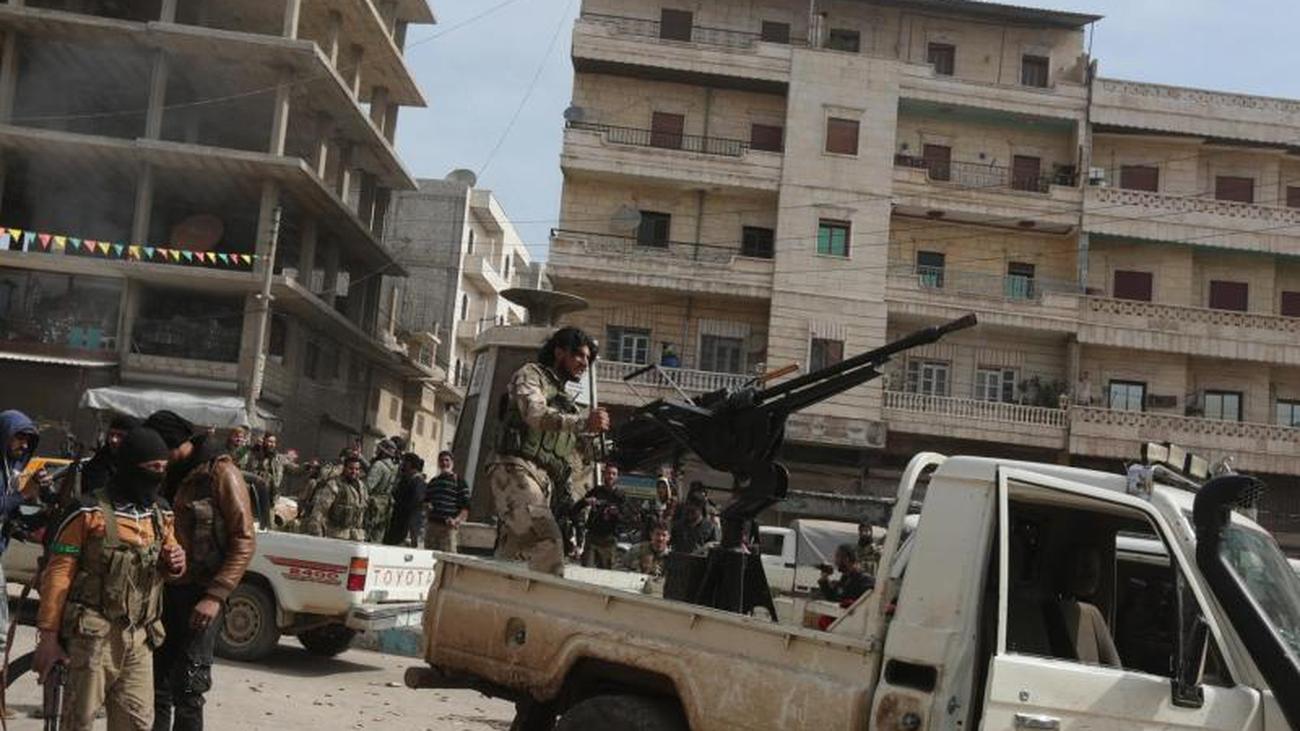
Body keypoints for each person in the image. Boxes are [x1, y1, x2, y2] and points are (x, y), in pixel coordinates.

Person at [33, 427, 186, 731]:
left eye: (163, 468)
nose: (158, 475)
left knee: (137, 723)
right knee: (79, 721)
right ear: (131, 467)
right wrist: (48, 637)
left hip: (140, 638)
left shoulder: (161, 514)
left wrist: (177, 562)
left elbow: (171, 560)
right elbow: (59, 574)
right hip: (93, 638)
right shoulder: (87, 510)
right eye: (152, 467)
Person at [142, 410, 256, 731]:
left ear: (178, 443)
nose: (159, 458)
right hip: (165, 591)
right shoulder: (164, 473)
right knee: (156, 685)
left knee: (190, 687)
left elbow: (244, 539)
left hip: (202, 594)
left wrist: (215, 596)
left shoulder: (221, 473)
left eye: (163, 450)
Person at [488, 326, 610, 576]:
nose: (584, 363)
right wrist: (584, 423)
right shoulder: (531, 375)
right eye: (579, 355)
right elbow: (535, 414)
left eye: (588, 358)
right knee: (547, 541)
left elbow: (584, 456)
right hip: (514, 470)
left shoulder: (567, 404)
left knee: (511, 561)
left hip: (542, 486)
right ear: (559, 352)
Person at [1, 409, 46, 671]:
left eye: (29, 440)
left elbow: (13, 517)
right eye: (19, 438)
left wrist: (43, 508)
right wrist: (24, 495)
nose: (24, 445)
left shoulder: (11, 472)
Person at [300, 454, 367, 541]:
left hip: (356, 536)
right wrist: (317, 534)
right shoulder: (335, 485)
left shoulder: (361, 487)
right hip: (337, 535)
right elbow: (320, 510)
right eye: (351, 468)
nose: (354, 472)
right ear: (344, 468)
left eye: (357, 469)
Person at [574, 463, 627, 569]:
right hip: (593, 537)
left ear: (617, 477)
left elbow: (625, 519)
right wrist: (586, 501)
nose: (610, 476)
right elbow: (576, 508)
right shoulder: (596, 491)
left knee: (606, 572)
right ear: (604, 474)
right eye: (608, 473)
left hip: (609, 540)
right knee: (586, 569)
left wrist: (615, 513)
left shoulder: (621, 495)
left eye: (613, 474)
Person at [81, 414, 141, 494]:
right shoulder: (99, 462)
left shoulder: (142, 465)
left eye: (120, 436)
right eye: (112, 435)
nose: (114, 440)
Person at [424, 450, 470, 552]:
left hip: (448, 528)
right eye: (441, 460)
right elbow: (426, 501)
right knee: (429, 556)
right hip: (432, 527)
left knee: (448, 558)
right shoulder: (433, 482)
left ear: (452, 463)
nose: (444, 463)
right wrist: (427, 506)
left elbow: (465, 507)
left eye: (447, 460)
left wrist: (456, 521)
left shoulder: (459, 482)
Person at [383, 453, 426, 546]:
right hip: (398, 523)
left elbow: (415, 503)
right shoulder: (405, 479)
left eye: (404, 462)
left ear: (409, 464)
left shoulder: (417, 481)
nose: (401, 464)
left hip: (406, 526)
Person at [363, 437, 401, 543]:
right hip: (386, 505)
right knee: (378, 538)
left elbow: (368, 486)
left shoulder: (379, 465)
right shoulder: (395, 467)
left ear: (383, 452)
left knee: (366, 537)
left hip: (373, 505)